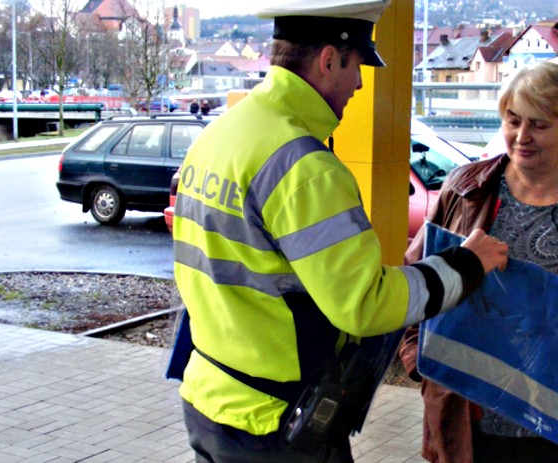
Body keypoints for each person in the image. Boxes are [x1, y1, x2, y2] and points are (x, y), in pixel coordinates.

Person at [171, 1, 509, 462]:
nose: (360, 83)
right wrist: (466, 265)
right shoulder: (303, 166)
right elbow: (365, 305)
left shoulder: (222, 134)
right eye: (357, 66)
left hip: (213, 398)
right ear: (329, 59)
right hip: (276, 422)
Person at [400, 61, 558, 463]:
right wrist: (420, 362)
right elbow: (416, 281)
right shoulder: (467, 189)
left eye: (539, 125)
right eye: (513, 120)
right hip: (473, 421)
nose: (522, 137)